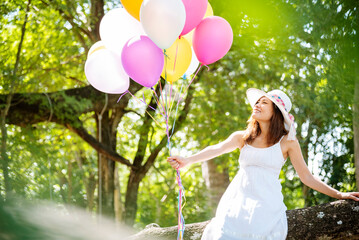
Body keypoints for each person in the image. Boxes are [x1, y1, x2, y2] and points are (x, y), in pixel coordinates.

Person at [167, 88, 359, 240]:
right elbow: (216, 149)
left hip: (267, 203)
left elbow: (306, 177)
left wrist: (339, 194)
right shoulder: (242, 137)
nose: (257, 104)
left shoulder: (287, 142)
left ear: (275, 111)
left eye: (263, 102)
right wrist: (187, 160)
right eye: (257, 102)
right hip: (236, 202)